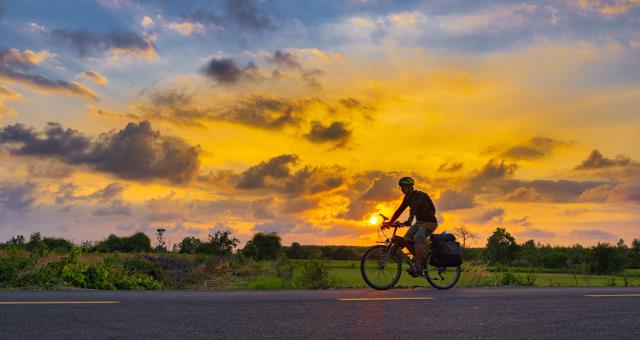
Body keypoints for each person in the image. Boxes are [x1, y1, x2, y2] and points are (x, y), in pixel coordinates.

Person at [383, 176, 438, 276]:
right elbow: (399, 210)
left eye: (403, 186)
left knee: (417, 240)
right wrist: (390, 222)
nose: (402, 189)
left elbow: (414, 208)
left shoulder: (417, 195)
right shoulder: (407, 198)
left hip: (430, 222)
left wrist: (409, 220)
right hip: (419, 222)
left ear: (410, 186)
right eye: (400, 187)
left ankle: (419, 265)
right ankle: (420, 259)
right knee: (406, 239)